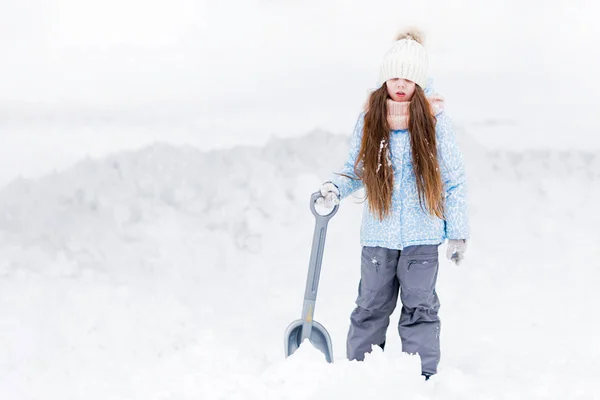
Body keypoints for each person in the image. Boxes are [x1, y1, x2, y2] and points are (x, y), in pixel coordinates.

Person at [316, 29, 470, 380]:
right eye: (394, 77)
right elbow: (356, 169)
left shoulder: (434, 121)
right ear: (385, 78)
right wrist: (333, 189)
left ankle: (420, 378)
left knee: (420, 308)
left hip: (422, 237)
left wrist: (458, 233)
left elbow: (454, 179)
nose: (400, 84)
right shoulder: (371, 118)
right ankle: (360, 375)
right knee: (370, 307)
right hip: (378, 237)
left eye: (408, 78)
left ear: (418, 81)